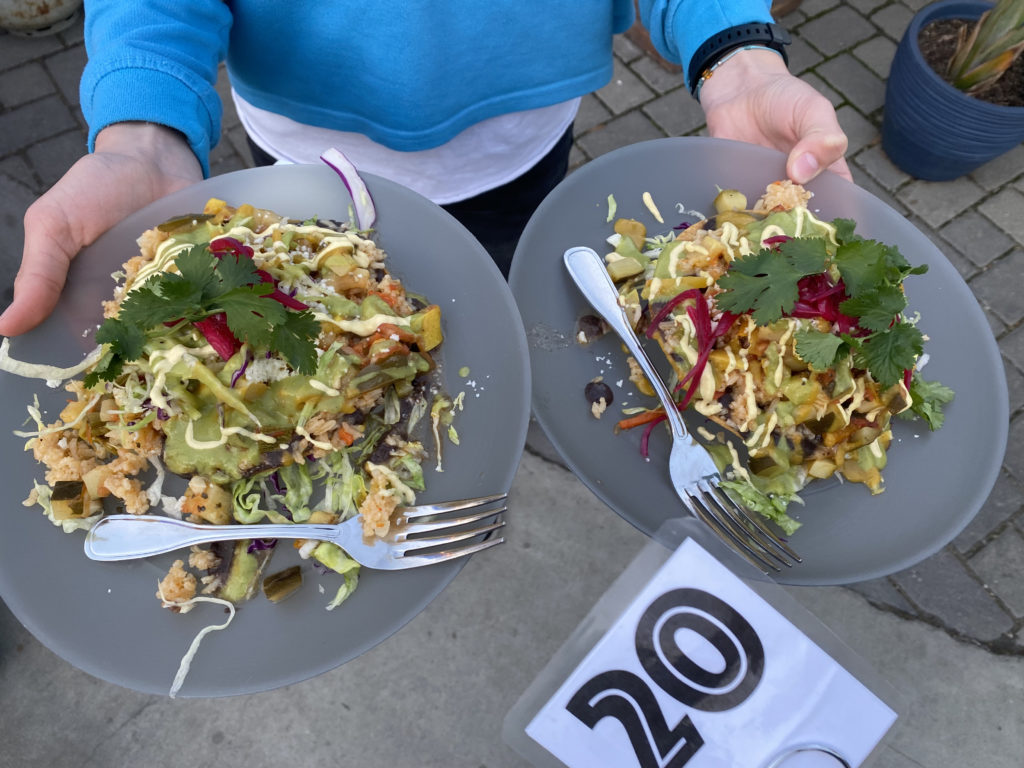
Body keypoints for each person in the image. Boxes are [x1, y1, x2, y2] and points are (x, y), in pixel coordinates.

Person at [0, 0, 851, 339]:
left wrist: (737, 54)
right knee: (322, 328)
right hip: (305, 156)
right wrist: (140, 135)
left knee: (487, 307)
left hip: (518, 150)